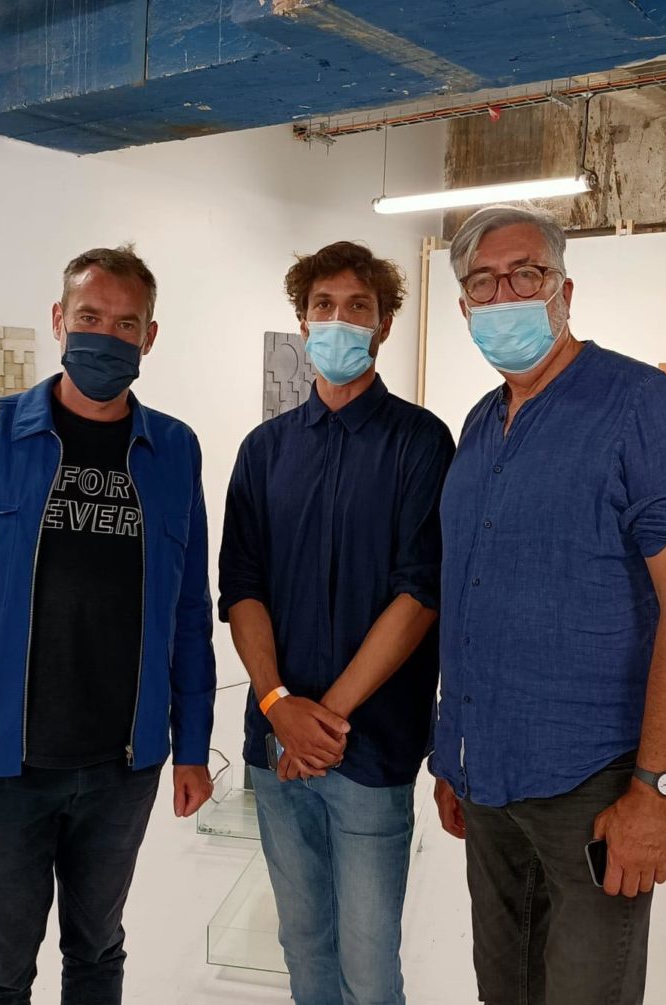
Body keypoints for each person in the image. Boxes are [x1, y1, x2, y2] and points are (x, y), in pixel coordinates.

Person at [0, 245, 216, 1005]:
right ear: (60, 319)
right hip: (6, 762)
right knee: (1, 965)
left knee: (97, 950)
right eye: (90, 317)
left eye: (126, 324)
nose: (107, 336)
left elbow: (189, 612)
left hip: (123, 766)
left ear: (150, 336)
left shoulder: (174, 450)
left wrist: (194, 746)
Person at [431, 204, 666, 1005]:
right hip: (487, 783)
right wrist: (453, 753)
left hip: (593, 789)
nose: (505, 295)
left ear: (564, 290)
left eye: (525, 273)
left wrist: (656, 795)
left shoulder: (644, 405)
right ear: (464, 308)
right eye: (483, 283)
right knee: (504, 988)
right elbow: (470, 594)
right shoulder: (480, 424)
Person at [219, 241, 455, 1005]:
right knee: (302, 944)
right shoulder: (263, 452)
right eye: (324, 305)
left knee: (369, 963)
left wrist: (322, 723)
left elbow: (420, 593)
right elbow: (242, 588)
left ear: (384, 324)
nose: (340, 319)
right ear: (302, 319)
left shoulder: (421, 442)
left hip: (370, 748)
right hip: (275, 745)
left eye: (359, 306)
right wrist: (279, 705)